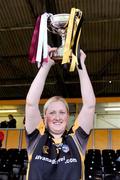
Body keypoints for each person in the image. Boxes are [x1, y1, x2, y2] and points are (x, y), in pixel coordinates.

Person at [25, 46, 96, 180]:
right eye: (52, 112)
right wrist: (45, 66)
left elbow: (89, 106)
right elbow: (31, 104)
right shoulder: (36, 138)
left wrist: (81, 65)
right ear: (44, 117)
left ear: (67, 117)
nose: (57, 117)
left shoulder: (76, 139)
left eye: (62, 112)